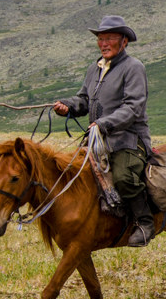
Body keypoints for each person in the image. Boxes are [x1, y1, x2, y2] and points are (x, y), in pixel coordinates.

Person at [53, 15, 155, 247]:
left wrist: (103, 124)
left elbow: (133, 107)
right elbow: (84, 100)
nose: (104, 43)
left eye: (110, 38)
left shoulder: (134, 68)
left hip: (128, 140)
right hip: (96, 141)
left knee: (123, 177)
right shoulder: (94, 68)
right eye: (101, 39)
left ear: (124, 41)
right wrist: (67, 106)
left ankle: (144, 222)